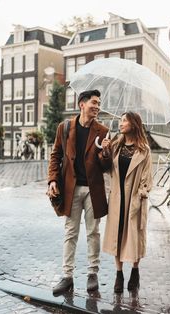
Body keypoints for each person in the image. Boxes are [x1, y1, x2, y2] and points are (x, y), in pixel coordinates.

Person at [47, 89, 112, 296]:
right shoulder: (64, 127)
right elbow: (55, 156)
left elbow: (106, 166)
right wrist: (52, 180)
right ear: (81, 104)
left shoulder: (103, 130)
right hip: (71, 189)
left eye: (99, 103)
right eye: (94, 102)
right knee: (70, 232)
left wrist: (105, 153)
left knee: (93, 232)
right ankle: (67, 277)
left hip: (93, 190)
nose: (97, 106)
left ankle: (93, 274)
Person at [101, 111, 152, 293]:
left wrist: (140, 194)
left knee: (134, 237)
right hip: (117, 198)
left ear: (134, 124)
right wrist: (105, 151)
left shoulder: (144, 150)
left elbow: (147, 179)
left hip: (134, 200)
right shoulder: (115, 145)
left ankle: (135, 271)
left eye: (124, 121)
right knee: (117, 235)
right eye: (121, 120)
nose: (121, 124)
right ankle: (119, 274)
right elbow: (105, 168)